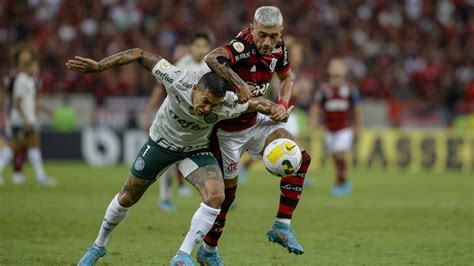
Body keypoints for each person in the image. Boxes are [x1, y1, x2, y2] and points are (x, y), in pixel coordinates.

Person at [65, 47, 285, 265]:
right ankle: (98, 246)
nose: (208, 109)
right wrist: (100, 65)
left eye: (213, 105)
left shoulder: (227, 104)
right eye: (205, 101)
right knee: (128, 197)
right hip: (161, 145)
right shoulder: (177, 79)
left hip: (195, 150)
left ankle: (182, 256)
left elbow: (256, 103)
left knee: (217, 195)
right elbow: (139, 54)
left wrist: (278, 108)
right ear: (196, 88)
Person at [197, 6, 313, 264]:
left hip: (255, 120)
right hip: (226, 130)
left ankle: (282, 225)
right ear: (252, 28)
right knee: (227, 198)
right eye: (262, 35)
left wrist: (283, 104)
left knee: (300, 157)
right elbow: (211, 59)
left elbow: (286, 77)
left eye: (273, 36)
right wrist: (238, 84)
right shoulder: (241, 47)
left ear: (280, 33)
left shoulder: (279, 48)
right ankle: (209, 251)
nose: (267, 42)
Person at [142, 31, 214, 212]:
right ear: (191, 48)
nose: (200, 49)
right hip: (178, 122)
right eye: (197, 46)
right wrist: (148, 113)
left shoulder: (211, 67)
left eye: (204, 46)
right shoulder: (182, 65)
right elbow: (160, 89)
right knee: (169, 161)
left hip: (202, 124)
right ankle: (165, 198)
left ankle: (217, 194)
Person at [309, 58, 363, 196]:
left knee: (340, 153)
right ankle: (342, 180)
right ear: (329, 69)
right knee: (335, 156)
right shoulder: (323, 88)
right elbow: (316, 106)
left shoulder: (350, 88)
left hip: (345, 127)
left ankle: (341, 183)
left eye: (340, 66)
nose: (337, 69)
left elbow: (357, 108)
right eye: (334, 66)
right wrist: (314, 121)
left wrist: (358, 125)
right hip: (329, 127)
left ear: (345, 70)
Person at [9, 50, 55, 186]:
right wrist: (26, 120)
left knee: (27, 147)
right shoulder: (21, 80)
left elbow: (33, 102)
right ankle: (40, 177)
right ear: (28, 67)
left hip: (28, 119)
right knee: (14, 148)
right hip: (21, 121)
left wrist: (46, 112)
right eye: (35, 67)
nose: (37, 70)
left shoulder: (31, 80)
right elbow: (17, 103)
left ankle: (37, 176)